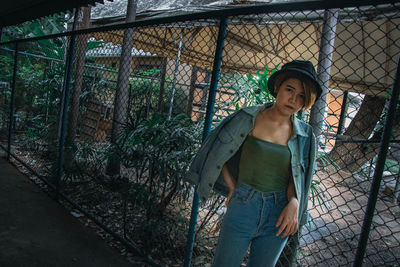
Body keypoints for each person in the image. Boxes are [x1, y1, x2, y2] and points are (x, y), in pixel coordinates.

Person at [187, 60, 322, 267]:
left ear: (307, 101)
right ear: (278, 87)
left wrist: (295, 202)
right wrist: (233, 186)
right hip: (243, 204)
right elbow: (218, 152)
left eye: (302, 96)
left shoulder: (305, 135)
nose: (294, 99)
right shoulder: (247, 118)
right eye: (289, 89)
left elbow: (299, 177)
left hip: (279, 214)